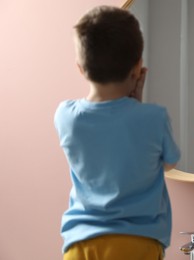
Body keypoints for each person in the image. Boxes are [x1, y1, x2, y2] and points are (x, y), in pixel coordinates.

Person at [54, 6, 180, 260]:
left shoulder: (66, 116)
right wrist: (137, 104)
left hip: (81, 244)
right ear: (137, 67)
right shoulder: (154, 118)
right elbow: (168, 164)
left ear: (80, 68)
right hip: (138, 243)